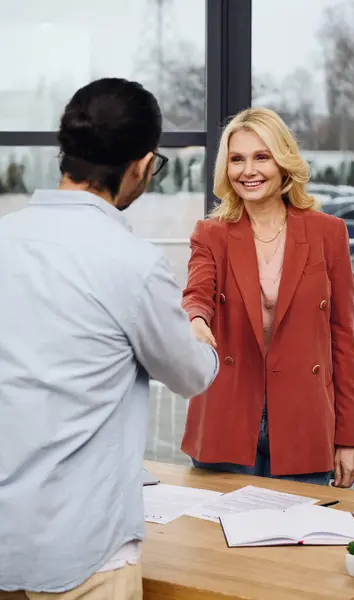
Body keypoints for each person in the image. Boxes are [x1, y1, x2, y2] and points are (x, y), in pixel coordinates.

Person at [0, 78, 218, 599]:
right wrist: (200, 334)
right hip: (83, 549)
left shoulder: (5, 238)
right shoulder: (131, 263)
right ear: (142, 164)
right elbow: (190, 374)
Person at [181, 107, 354, 488]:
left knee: (299, 544)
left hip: (304, 421)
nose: (248, 171)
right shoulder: (211, 233)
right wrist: (195, 321)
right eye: (237, 159)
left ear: (283, 162)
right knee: (214, 547)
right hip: (226, 418)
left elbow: (342, 338)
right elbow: (197, 294)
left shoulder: (328, 233)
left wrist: (349, 437)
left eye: (261, 157)